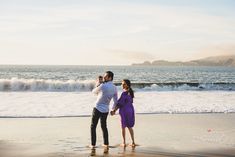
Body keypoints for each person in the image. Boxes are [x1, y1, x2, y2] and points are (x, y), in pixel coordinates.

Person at [90, 71, 118, 150]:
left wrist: (98, 83)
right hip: (106, 109)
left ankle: (93, 144)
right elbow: (116, 101)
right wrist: (113, 110)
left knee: (93, 126)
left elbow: (93, 91)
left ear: (110, 78)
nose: (104, 77)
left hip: (97, 107)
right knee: (104, 127)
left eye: (105, 76)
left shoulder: (103, 85)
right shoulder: (115, 87)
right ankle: (106, 143)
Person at [111, 79, 136, 147]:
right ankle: (133, 142)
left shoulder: (124, 93)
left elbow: (120, 104)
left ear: (127, 85)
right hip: (130, 110)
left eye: (124, 84)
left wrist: (114, 111)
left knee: (123, 127)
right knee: (129, 126)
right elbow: (130, 102)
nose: (122, 85)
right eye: (122, 84)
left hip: (124, 111)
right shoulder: (130, 92)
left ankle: (124, 142)